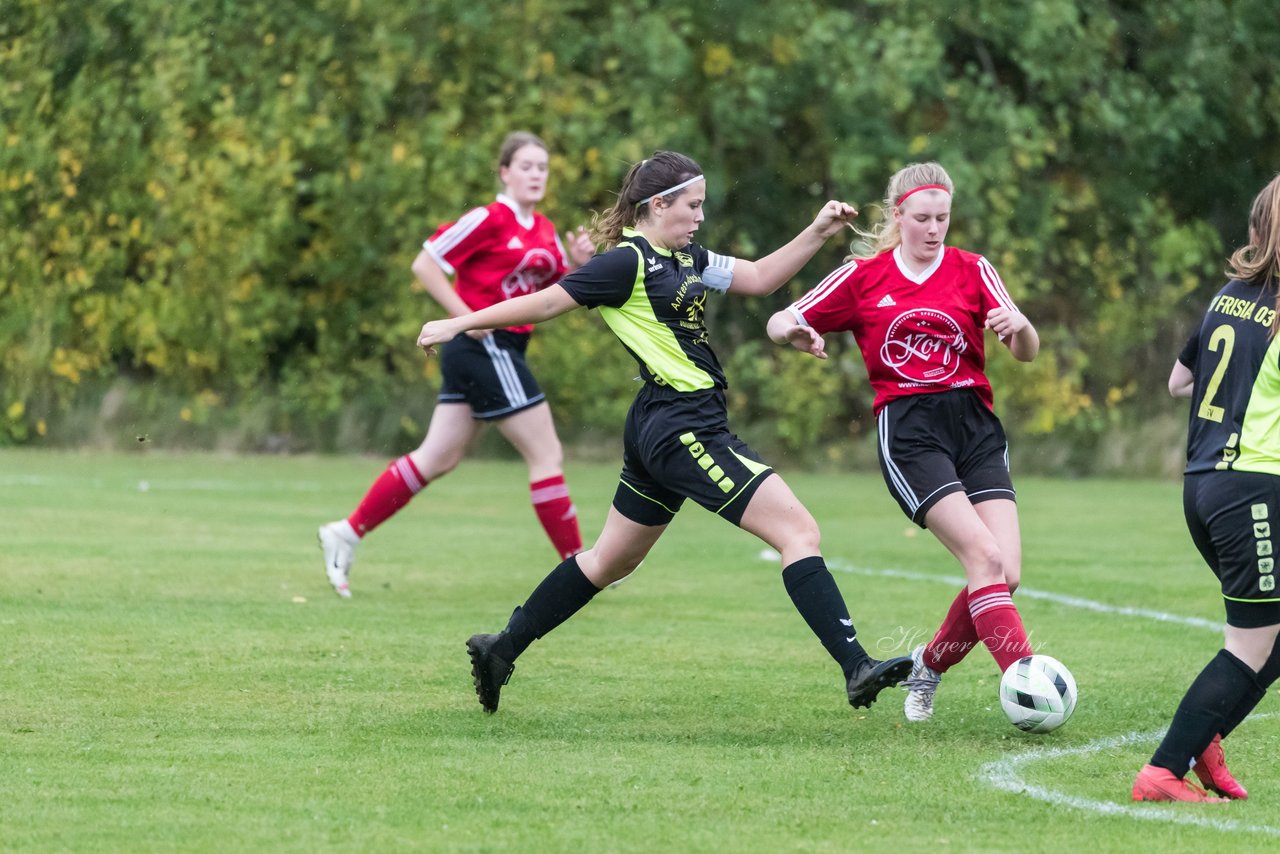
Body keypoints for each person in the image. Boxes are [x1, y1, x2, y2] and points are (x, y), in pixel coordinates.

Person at [416, 150, 913, 714]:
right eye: (692, 206)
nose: (700, 216)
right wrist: (460, 320)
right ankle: (857, 667)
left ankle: (501, 649)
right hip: (682, 424)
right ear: (658, 205)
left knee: (608, 561)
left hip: (661, 422)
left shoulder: (689, 258)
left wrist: (818, 231)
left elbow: (757, 277)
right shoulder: (625, 264)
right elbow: (548, 301)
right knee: (799, 532)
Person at [766, 162, 1041, 725]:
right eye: (922, 218)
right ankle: (1029, 684)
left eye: (943, 217)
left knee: (1005, 572)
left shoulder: (973, 268)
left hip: (976, 426)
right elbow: (779, 318)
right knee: (982, 558)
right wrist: (793, 331)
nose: (934, 229)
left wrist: (1022, 328)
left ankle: (929, 666)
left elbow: (1026, 350)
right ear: (899, 215)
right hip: (912, 432)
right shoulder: (864, 277)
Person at [318, 132, 593, 598]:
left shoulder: (544, 228)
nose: (535, 175)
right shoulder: (489, 217)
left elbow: (548, 292)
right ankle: (581, 569)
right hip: (486, 346)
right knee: (546, 455)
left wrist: (577, 263)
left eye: (542, 167)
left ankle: (345, 532)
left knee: (438, 456)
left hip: (497, 347)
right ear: (504, 171)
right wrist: (464, 316)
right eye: (525, 166)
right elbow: (425, 264)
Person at [1131, 174, 1280, 803]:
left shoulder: (1229, 296)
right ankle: (1163, 771)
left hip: (1204, 483)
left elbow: (1176, 382)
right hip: (1251, 491)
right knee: (1248, 645)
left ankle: (1205, 736)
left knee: (1272, 635)